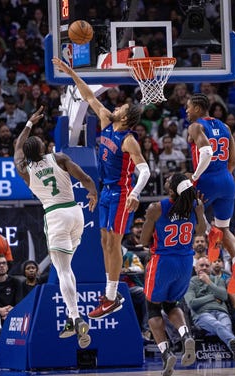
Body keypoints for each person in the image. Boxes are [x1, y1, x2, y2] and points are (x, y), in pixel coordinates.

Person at [52, 57, 150, 319]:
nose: (117, 106)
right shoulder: (107, 121)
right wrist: (70, 72)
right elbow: (87, 96)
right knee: (104, 240)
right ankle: (111, 295)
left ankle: (111, 296)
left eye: (123, 107)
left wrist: (135, 193)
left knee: (114, 242)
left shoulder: (129, 141)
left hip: (120, 193)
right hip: (106, 191)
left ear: (127, 117)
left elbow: (145, 170)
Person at [14, 106, 98, 348]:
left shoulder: (23, 169)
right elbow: (87, 179)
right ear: (42, 148)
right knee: (67, 268)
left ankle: (75, 317)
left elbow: (18, 148)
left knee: (62, 271)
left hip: (55, 216)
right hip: (76, 212)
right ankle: (73, 319)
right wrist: (92, 193)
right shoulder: (59, 158)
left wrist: (28, 123)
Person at [140, 173, 206, 375]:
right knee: (171, 304)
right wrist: (200, 211)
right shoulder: (194, 206)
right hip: (185, 262)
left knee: (152, 308)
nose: (166, 179)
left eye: (168, 180)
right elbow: (201, 231)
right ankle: (186, 336)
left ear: (171, 190)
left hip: (163, 262)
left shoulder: (156, 208)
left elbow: (143, 240)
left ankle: (166, 353)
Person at [186, 93, 235, 294]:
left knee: (191, 214)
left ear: (197, 108)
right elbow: (233, 162)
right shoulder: (225, 127)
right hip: (227, 180)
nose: (186, 111)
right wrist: (222, 180)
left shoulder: (196, 126)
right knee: (225, 227)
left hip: (206, 178)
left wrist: (195, 177)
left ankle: (213, 236)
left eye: (188, 107)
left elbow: (207, 152)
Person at [185, 256, 235, 360]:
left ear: (210, 268)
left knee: (225, 325)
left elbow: (223, 296)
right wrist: (213, 296)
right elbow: (192, 303)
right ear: (196, 268)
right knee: (217, 324)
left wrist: (208, 282)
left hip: (221, 312)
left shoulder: (218, 279)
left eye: (207, 265)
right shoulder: (190, 283)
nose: (204, 268)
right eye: (201, 265)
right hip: (202, 314)